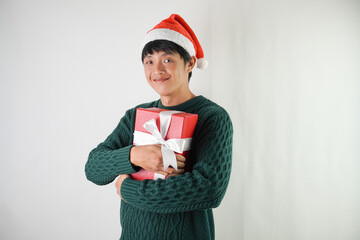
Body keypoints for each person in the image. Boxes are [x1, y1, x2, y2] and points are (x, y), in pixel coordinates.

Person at [85, 14, 233, 240]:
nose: (157, 70)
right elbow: (94, 168)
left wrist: (127, 189)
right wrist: (135, 155)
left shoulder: (212, 117)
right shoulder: (135, 115)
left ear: (190, 62)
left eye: (167, 60)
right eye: (149, 61)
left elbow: (208, 189)